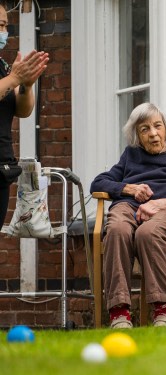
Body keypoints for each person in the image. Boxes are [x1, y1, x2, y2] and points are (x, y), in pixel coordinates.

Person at [90, 103, 166, 328]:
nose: (153, 133)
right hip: (129, 205)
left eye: (157, 126)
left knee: (148, 233)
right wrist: (130, 189)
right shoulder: (130, 156)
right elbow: (98, 183)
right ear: (137, 135)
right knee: (117, 229)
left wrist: (160, 204)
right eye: (145, 129)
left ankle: (164, 309)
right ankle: (119, 312)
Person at [0, 3, 49, 225]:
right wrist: (14, 79)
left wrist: (27, 85)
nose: (4, 31)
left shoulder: (1, 65)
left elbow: (23, 110)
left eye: (5, 25)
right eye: (0, 25)